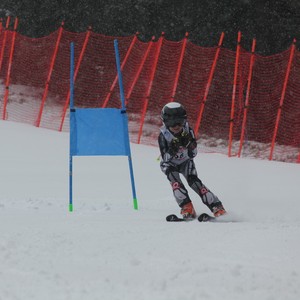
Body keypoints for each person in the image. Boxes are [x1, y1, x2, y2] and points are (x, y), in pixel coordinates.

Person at [158, 102, 226, 219]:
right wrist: (173, 150)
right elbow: (165, 158)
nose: (176, 126)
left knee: (194, 182)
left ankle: (216, 206)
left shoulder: (188, 131)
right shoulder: (163, 135)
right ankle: (186, 207)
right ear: (165, 121)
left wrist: (189, 144)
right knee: (175, 183)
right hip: (169, 164)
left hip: (185, 161)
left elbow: (193, 154)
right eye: (172, 122)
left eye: (179, 121)